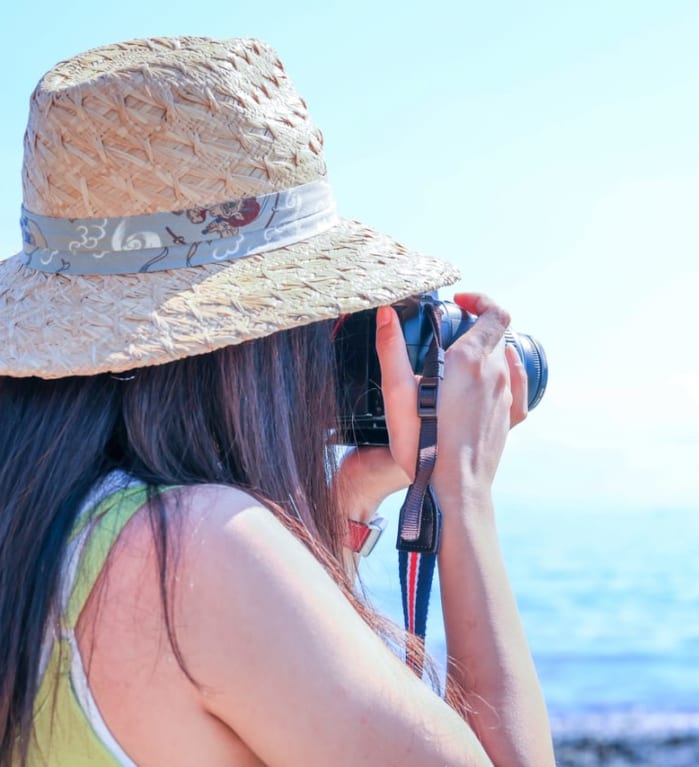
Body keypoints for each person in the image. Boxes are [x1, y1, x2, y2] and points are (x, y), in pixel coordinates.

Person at [0, 36, 555, 766]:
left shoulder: (46, 532)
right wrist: (463, 487)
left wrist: (346, 507)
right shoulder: (189, 554)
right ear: (262, 334)